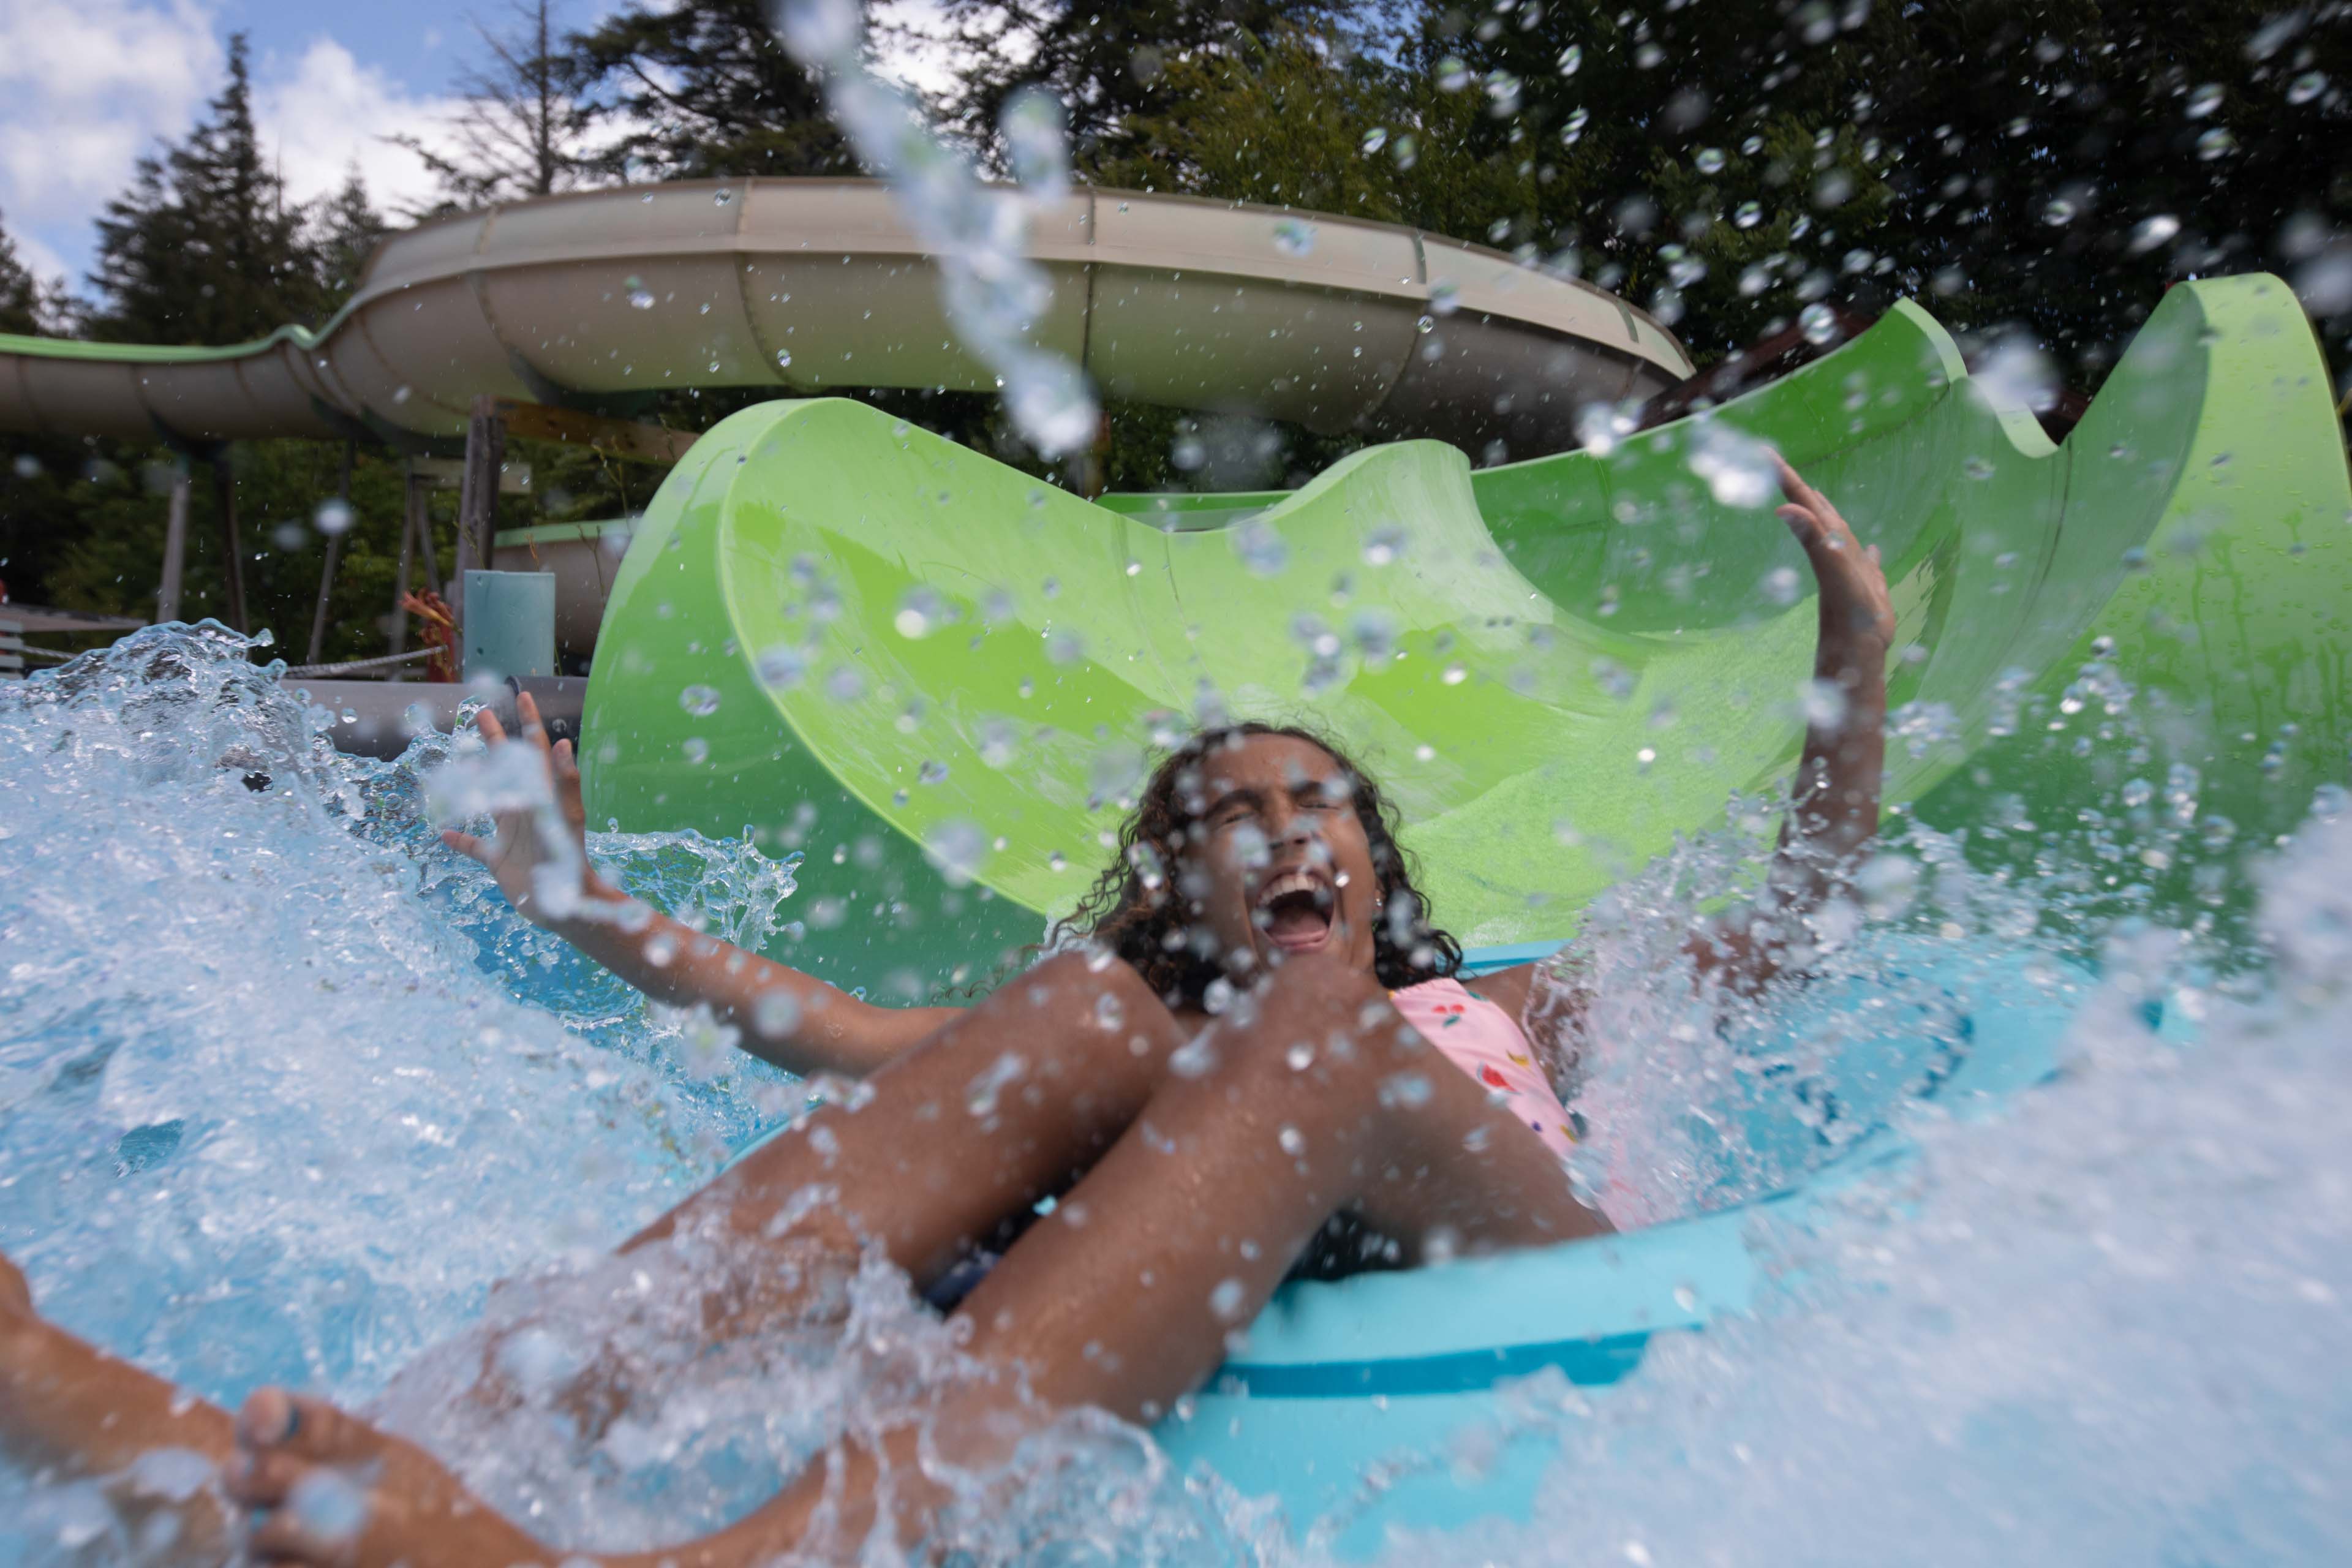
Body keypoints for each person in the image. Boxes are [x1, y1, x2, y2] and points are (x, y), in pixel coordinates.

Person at [0, 456, 1894, 1566]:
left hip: (1521, 1270)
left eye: (1319, 804)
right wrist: (568, 897)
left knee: (1325, 1048)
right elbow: (809, 1030)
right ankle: (299, 1452)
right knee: (1078, 1020)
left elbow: (1787, 931)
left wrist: (1852, 672)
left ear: (1378, 871)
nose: (1283, 836)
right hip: (1248, 1194)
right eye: (1229, 822)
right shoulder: (1132, 1040)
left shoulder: (1491, 1009)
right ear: (1184, 892)